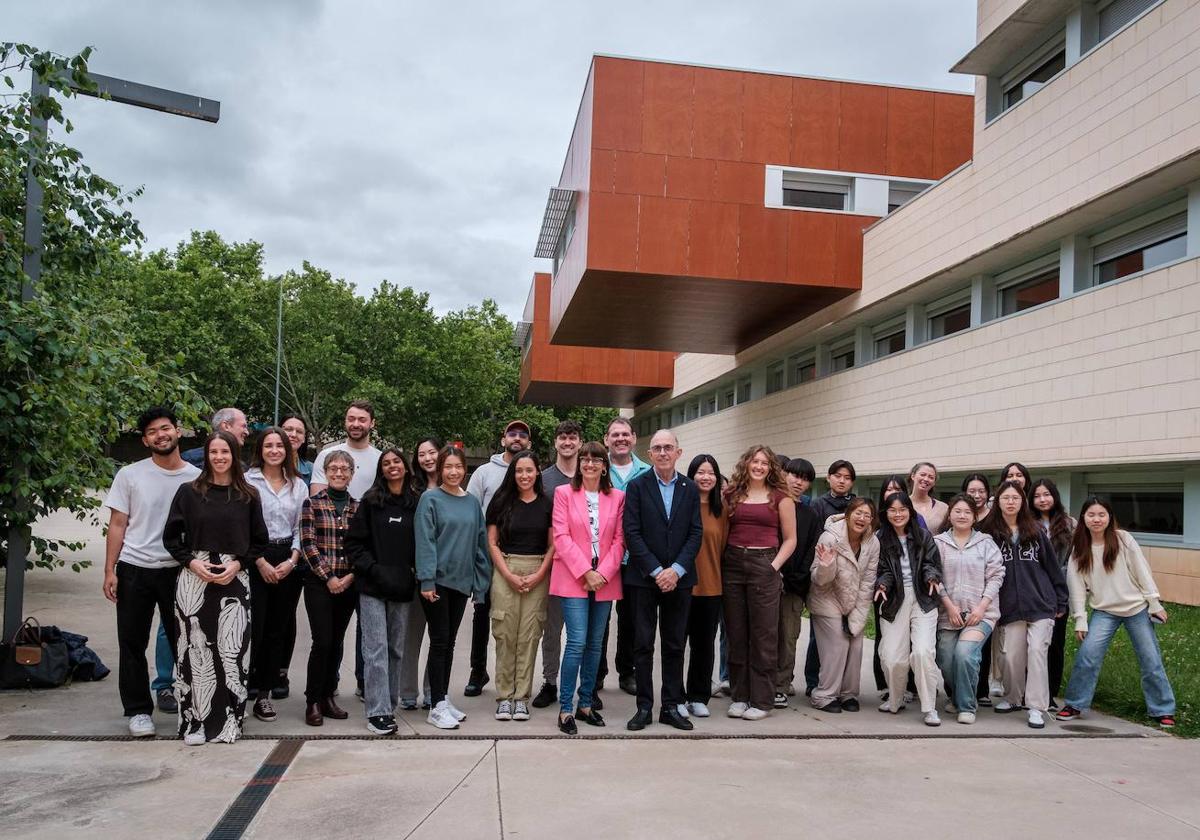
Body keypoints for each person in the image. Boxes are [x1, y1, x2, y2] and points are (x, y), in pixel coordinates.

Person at [163, 431, 268, 745]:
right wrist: (192, 564)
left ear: (235, 456)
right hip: (195, 579)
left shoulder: (248, 495)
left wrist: (237, 565)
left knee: (230, 653)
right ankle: (194, 722)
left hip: (233, 579)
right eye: (214, 452)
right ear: (206, 456)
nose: (219, 458)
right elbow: (171, 538)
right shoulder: (188, 492)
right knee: (193, 651)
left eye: (226, 452)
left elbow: (259, 541)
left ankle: (229, 722)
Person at [104, 407, 200, 737]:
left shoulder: (194, 477)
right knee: (132, 642)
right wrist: (110, 570)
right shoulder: (130, 475)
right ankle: (138, 710)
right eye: (153, 432)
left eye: (166, 428)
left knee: (185, 642)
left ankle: (191, 706)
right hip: (135, 568)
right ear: (146, 440)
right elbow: (117, 524)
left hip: (178, 571)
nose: (161, 435)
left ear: (178, 431)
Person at [1057, 498, 1176, 729]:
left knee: (1150, 659)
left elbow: (1142, 571)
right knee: (1087, 656)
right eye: (1091, 514)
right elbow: (1076, 587)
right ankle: (1075, 703)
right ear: (1083, 518)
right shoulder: (1079, 547)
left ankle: (1163, 710)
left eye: (1102, 514)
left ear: (1109, 517)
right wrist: (1080, 619)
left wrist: (1154, 603)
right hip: (1104, 611)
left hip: (1137, 609)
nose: (1097, 519)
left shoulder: (1123, 539)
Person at [622, 430, 704, 731]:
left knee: (673, 645)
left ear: (678, 453)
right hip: (645, 579)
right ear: (650, 454)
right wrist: (657, 571)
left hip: (680, 580)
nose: (663, 452)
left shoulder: (690, 488)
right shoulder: (637, 487)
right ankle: (644, 706)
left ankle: (670, 706)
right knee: (642, 644)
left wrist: (677, 570)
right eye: (657, 448)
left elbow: (696, 533)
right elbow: (631, 532)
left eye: (668, 447)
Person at [978, 480, 1068, 729]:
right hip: (1009, 607)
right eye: (1005, 498)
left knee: (1038, 652)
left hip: (1041, 604)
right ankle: (1013, 697)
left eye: (1015, 498)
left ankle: (1036, 707)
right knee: (1011, 656)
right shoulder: (990, 534)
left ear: (1022, 502)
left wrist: (1061, 599)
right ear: (998, 502)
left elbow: (1052, 567)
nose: (1010, 502)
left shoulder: (1036, 531)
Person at [551, 442, 626, 734]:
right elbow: (561, 536)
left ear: (604, 465)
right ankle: (565, 708)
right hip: (574, 576)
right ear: (580, 464)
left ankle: (585, 704)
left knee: (596, 644)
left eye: (596, 459)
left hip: (605, 578)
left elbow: (621, 540)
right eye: (585, 459)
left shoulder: (617, 497)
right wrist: (586, 571)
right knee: (577, 642)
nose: (590, 464)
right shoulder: (563, 494)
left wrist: (602, 573)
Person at [415, 446, 491, 730]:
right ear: (440, 469)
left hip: (461, 583)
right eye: (448, 467)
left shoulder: (471, 502)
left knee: (450, 642)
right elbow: (425, 541)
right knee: (439, 641)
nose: (454, 471)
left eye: (458, 467)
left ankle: (443, 698)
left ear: (464, 469)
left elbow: (480, 544)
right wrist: (426, 579)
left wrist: (480, 584)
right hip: (436, 584)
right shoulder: (430, 499)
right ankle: (435, 706)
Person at [346, 448, 419, 736]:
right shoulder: (371, 501)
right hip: (372, 586)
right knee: (374, 649)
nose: (392, 466)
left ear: (405, 466)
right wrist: (373, 568)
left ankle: (389, 704)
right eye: (386, 463)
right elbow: (353, 543)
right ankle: (377, 711)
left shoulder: (416, 503)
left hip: (402, 586)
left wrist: (414, 572)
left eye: (396, 462)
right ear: (381, 470)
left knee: (395, 649)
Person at [721, 445, 796, 721]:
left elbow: (791, 539)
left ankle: (762, 701)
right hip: (732, 565)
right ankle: (740, 696)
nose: (759, 466)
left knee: (764, 637)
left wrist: (773, 567)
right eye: (755, 461)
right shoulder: (732, 494)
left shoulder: (781, 498)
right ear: (746, 464)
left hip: (764, 563)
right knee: (736, 635)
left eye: (765, 462)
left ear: (771, 467)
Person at [464, 419, 532, 697]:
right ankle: (477, 671)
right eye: (511, 433)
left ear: (528, 442)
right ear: (503, 438)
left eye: (522, 435)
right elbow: (470, 511)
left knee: (516, 618)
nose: (517, 438)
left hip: (521, 556)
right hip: (486, 556)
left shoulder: (530, 472)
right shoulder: (484, 472)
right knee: (482, 613)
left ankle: (516, 676)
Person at [243, 428, 307, 722]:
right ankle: (244, 686)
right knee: (251, 627)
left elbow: (301, 528)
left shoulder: (298, 485)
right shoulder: (247, 481)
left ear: (287, 450)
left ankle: (265, 694)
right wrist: (259, 561)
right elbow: (241, 526)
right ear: (260, 450)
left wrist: (292, 560)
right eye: (268, 445)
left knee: (277, 629)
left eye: (278, 445)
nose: (273, 450)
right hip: (256, 558)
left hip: (288, 560)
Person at [485, 450, 554, 722]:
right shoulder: (501, 502)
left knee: (529, 636)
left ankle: (521, 697)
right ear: (512, 474)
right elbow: (492, 543)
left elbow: (552, 545)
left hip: (538, 569)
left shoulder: (548, 503)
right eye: (519, 471)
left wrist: (538, 574)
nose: (524, 475)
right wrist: (508, 574)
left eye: (529, 470)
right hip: (506, 568)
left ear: (538, 472)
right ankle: (504, 696)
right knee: (505, 635)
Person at [300, 450, 360, 726]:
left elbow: (361, 547)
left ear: (351, 473)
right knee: (322, 641)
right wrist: (329, 577)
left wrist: (348, 577)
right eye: (333, 468)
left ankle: (327, 697)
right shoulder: (311, 504)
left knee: (336, 642)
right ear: (325, 472)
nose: (339, 473)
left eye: (344, 469)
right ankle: (313, 699)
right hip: (319, 583)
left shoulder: (358, 507)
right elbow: (308, 544)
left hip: (348, 583)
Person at [874, 492, 944, 726]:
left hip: (923, 598)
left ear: (910, 511)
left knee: (923, 652)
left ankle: (929, 707)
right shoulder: (879, 538)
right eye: (892, 510)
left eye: (902, 509)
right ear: (885, 513)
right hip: (894, 599)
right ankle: (895, 699)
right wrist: (882, 584)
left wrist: (932, 577)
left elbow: (931, 563)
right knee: (893, 658)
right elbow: (881, 567)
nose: (898, 514)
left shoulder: (923, 536)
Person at [934, 494, 1004, 724]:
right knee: (945, 659)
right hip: (948, 613)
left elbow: (996, 575)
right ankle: (956, 695)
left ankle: (966, 706)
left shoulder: (986, 542)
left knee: (965, 655)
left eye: (967, 512)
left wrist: (982, 607)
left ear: (974, 516)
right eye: (957, 511)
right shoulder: (938, 543)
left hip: (981, 614)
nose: (962, 515)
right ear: (950, 514)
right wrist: (949, 606)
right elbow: (933, 577)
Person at [808, 499, 879, 713]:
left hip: (854, 600)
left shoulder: (873, 542)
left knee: (856, 645)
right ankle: (824, 695)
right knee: (838, 644)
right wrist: (826, 565)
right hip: (826, 598)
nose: (862, 518)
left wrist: (856, 617)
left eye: (867, 515)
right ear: (848, 515)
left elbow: (868, 581)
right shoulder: (829, 537)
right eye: (858, 513)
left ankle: (848, 694)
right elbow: (819, 580)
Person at [599, 417, 652, 696]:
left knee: (631, 619)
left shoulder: (647, 472)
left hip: (634, 558)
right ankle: (597, 672)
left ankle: (626, 670)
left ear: (634, 437)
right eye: (615, 434)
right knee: (600, 618)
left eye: (625, 434)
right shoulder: (597, 469)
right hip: (602, 558)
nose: (620, 439)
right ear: (607, 439)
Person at [533, 420, 581, 710]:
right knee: (551, 629)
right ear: (555, 443)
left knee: (585, 632)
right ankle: (550, 682)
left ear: (579, 441)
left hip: (586, 566)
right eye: (562, 437)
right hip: (554, 565)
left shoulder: (591, 475)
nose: (567, 442)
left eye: (572, 437)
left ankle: (587, 685)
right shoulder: (544, 479)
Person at [804, 459, 857, 695]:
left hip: (849, 579)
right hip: (824, 575)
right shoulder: (818, 505)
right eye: (838, 476)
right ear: (829, 478)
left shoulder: (857, 505)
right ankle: (813, 681)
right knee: (820, 635)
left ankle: (841, 685)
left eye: (847, 477)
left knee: (846, 635)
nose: (842, 480)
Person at [397, 437, 441, 710]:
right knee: (411, 637)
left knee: (439, 639)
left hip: (443, 575)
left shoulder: (455, 487)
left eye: (432, 452)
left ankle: (431, 690)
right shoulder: (410, 490)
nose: (427, 458)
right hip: (414, 573)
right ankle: (408, 693)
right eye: (422, 454)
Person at [683, 454, 728, 718]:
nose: (705, 477)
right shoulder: (681, 505)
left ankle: (698, 696)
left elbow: (722, 549)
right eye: (700, 472)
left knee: (704, 646)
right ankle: (675, 696)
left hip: (711, 587)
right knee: (676, 644)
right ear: (691, 476)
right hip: (682, 587)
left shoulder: (721, 510)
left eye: (711, 472)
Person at [774, 458, 820, 707]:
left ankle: (781, 685)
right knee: (763, 637)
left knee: (788, 637)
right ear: (784, 475)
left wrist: (794, 579)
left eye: (804, 479)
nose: (798, 482)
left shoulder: (810, 514)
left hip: (793, 588)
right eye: (794, 475)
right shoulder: (772, 505)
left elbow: (811, 551)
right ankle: (762, 682)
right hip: (767, 581)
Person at [1030, 478, 1075, 709]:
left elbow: (1074, 560)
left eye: (1046, 494)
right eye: (1037, 496)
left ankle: (1050, 693)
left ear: (1054, 496)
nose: (1042, 499)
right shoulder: (1027, 524)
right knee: (1034, 644)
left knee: (1055, 643)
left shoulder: (1069, 524)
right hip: (1034, 591)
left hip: (1059, 591)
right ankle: (1031, 692)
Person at [310, 400, 382, 500]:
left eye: (362, 420)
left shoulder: (381, 459)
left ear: (372, 423)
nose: (356, 424)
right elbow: (317, 502)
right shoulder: (326, 455)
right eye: (351, 419)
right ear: (345, 421)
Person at [181, 407, 249, 468]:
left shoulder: (241, 467)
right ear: (226, 426)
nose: (247, 432)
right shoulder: (189, 461)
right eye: (243, 426)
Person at [908, 462, 949, 532]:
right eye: (922, 475)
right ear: (913, 476)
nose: (926, 479)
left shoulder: (943, 508)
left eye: (931, 477)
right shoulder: (902, 504)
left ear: (934, 482)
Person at [280, 414, 314, 487]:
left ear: (304, 438)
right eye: (289, 429)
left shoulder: (312, 470)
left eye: (299, 431)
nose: (294, 435)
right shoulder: (263, 466)